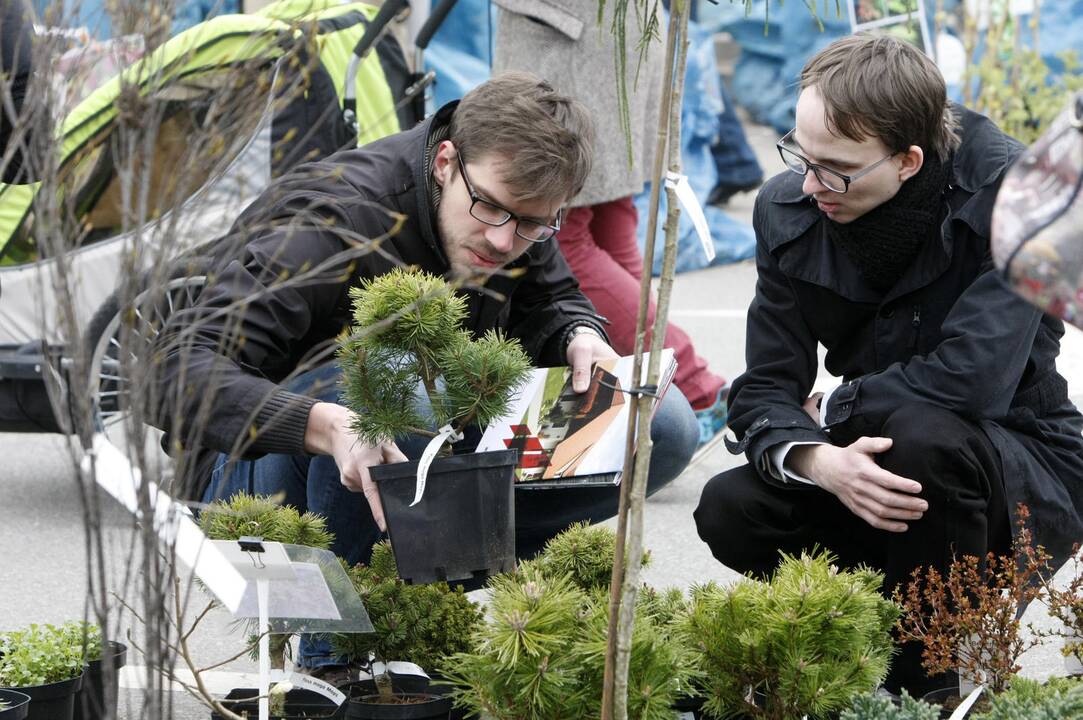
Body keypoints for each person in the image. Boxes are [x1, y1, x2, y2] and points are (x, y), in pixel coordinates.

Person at [152, 72, 698, 667]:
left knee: (660, 423)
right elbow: (173, 374)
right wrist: (325, 425)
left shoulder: (510, 204)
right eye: (489, 207)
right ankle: (337, 653)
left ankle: (422, 589)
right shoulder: (331, 221)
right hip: (253, 484)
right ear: (444, 161)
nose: (503, 239)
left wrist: (579, 333)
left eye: (533, 224)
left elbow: (550, 296)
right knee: (395, 378)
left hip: (419, 450)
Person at [693, 34, 1083, 696]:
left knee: (921, 437)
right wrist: (817, 459)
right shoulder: (789, 208)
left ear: (907, 160)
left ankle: (929, 686)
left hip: (1018, 464)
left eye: (835, 168)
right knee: (730, 506)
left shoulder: (1010, 197)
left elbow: (973, 380)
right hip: (881, 460)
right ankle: (871, 630)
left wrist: (837, 412)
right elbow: (763, 388)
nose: (809, 183)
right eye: (800, 155)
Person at [492, 0, 731, 447]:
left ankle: (694, 389)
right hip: (609, 31)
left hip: (571, 35)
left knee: (565, 237)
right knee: (609, 229)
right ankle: (689, 389)